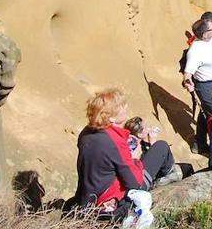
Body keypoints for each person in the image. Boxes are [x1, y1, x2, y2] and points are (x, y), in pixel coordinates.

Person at [65, 88, 179, 219]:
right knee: (161, 147)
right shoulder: (114, 141)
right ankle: (170, 175)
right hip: (111, 197)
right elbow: (135, 182)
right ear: (111, 118)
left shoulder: (86, 133)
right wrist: (135, 159)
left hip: (89, 196)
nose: (126, 107)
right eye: (121, 106)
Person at [181, 17, 212, 154]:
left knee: (206, 112)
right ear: (204, 34)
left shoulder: (211, 40)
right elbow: (187, 74)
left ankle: (199, 143)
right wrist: (189, 84)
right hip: (204, 87)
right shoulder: (195, 51)